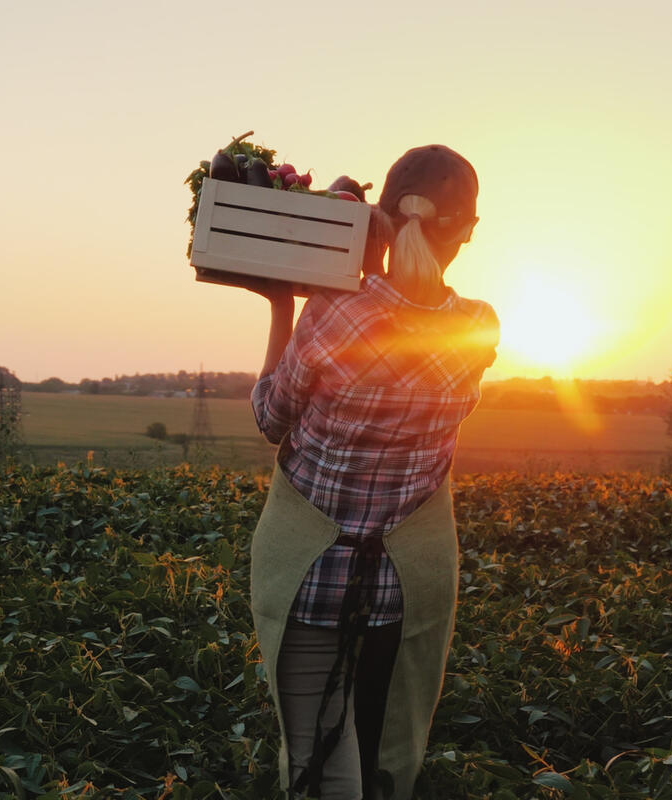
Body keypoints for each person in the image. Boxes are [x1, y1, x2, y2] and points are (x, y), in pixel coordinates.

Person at [244, 144, 499, 800]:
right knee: (380, 767)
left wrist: (282, 301)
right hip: (401, 596)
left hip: (312, 585)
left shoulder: (336, 314)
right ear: (466, 233)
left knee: (318, 774)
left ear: (380, 219)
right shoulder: (477, 329)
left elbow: (271, 416)